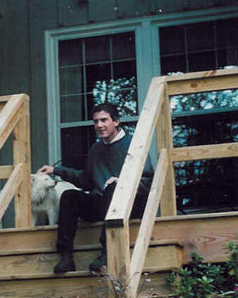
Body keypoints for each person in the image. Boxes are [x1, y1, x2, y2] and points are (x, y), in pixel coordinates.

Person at [37, 103, 154, 273]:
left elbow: (148, 181)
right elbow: (87, 181)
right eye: (96, 121)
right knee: (69, 196)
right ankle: (66, 256)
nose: (99, 125)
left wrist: (122, 181)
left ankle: (107, 253)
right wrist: (56, 170)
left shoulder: (133, 145)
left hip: (129, 206)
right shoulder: (96, 149)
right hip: (102, 204)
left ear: (116, 121)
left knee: (113, 187)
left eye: (104, 120)